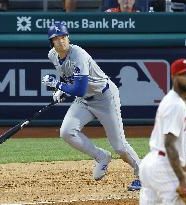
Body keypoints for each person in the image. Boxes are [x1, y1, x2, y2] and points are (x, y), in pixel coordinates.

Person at [42, 22, 141, 191]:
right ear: (51, 42)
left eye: (63, 37)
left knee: (120, 146)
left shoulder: (78, 53)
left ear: (68, 37)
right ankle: (101, 156)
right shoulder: (53, 55)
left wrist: (58, 86)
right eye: (56, 38)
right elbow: (70, 78)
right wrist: (63, 90)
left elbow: (79, 89)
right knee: (66, 132)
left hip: (105, 97)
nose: (61, 41)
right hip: (84, 101)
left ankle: (143, 175)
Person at [139, 58, 186, 204]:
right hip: (164, 167)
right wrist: (183, 180)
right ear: (173, 77)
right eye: (183, 74)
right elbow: (170, 145)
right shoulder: (175, 104)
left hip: (152, 165)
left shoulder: (177, 102)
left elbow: (178, 146)